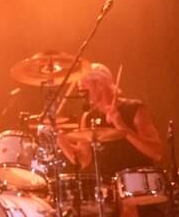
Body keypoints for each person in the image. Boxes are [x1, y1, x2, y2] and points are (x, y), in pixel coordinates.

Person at [58, 63, 164, 217]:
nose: (81, 94)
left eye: (84, 89)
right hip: (107, 197)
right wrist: (58, 137)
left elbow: (156, 152)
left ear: (100, 84)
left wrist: (122, 127)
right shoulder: (88, 117)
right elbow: (82, 160)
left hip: (138, 193)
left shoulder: (134, 108)